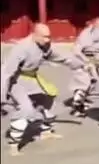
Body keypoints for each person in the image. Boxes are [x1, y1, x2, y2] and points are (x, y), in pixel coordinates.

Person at [1, 23, 91, 156]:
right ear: (35, 35)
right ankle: (14, 144)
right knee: (26, 108)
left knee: (47, 100)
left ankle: (45, 131)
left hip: (31, 78)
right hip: (16, 80)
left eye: (49, 37)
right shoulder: (21, 48)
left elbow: (63, 58)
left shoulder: (45, 46)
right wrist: (2, 96)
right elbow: (7, 72)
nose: (47, 40)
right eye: (44, 37)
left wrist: (82, 64)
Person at [70, 17, 99, 117]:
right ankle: (77, 105)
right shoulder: (86, 34)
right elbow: (76, 50)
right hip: (83, 61)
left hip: (93, 61)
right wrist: (86, 61)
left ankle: (83, 104)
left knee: (92, 84)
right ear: (94, 26)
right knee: (83, 83)